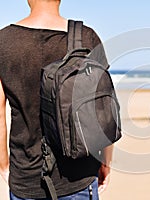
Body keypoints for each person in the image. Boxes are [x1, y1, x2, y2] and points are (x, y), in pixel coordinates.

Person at [0, 0, 117, 199]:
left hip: (25, 175)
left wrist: (4, 164)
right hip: (79, 176)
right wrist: (106, 161)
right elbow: (104, 110)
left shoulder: (4, 41)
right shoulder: (85, 37)